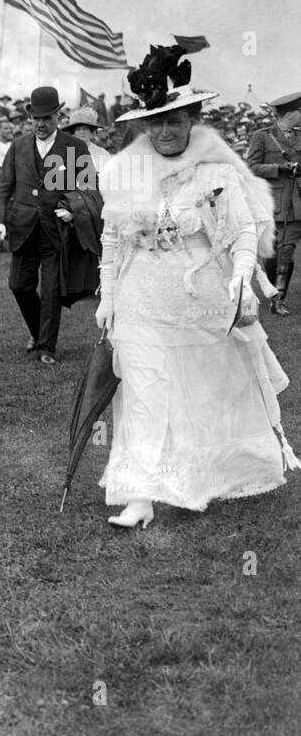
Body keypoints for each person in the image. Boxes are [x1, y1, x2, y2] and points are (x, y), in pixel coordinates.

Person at [96, 45, 298, 528]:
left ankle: (211, 471)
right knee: (145, 391)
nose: (166, 131)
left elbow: (244, 227)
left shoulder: (218, 171)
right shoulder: (125, 173)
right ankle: (140, 495)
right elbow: (111, 237)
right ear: (144, 125)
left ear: (192, 121)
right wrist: (106, 296)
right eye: (157, 122)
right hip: (140, 296)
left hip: (199, 297)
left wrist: (241, 272)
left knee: (208, 387)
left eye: (177, 121)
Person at [0, 85, 95, 365]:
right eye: (35, 119)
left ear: (58, 117)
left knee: (50, 290)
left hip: (56, 231)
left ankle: (46, 347)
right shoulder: (19, 146)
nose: (40, 124)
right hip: (23, 228)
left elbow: (89, 189)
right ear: (30, 119)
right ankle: (38, 333)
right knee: (19, 286)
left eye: (46, 118)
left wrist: (74, 209)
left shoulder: (75, 147)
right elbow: (2, 188)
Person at [245, 90, 301, 314]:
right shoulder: (262, 136)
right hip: (273, 204)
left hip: (297, 204)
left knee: (287, 251)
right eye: (299, 111)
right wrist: (280, 168)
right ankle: (272, 293)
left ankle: (279, 300)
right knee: (273, 255)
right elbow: (251, 167)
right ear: (289, 114)